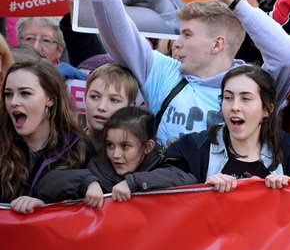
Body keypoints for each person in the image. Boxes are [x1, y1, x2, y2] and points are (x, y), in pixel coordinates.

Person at [67, 0, 290, 146]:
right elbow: (122, 36)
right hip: (169, 184)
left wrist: (235, 2)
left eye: (187, 35)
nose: (176, 44)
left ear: (217, 44)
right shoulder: (165, 73)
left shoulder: (254, 87)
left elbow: (287, 56)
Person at [165, 65, 290, 190]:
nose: (234, 107)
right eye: (228, 98)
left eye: (245, 99)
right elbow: (163, 194)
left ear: (267, 109)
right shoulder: (192, 148)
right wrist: (199, 189)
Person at [35, 107, 195, 206]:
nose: (115, 155)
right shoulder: (96, 167)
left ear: (148, 147)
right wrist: (86, 182)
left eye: (125, 146)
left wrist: (134, 182)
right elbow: (44, 184)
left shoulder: (161, 165)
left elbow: (188, 180)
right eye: (110, 145)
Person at [0, 60, 88, 214]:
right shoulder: (2, 146)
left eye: (25, 93)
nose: (13, 102)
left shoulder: (81, 149)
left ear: (50, 98)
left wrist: (45, 208)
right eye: (8, 94)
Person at [83, 64, 139, 139]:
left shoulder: (140, 145)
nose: (101, 107)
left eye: (114, 100)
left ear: (130, 107)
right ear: (85, 97)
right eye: (94, 97)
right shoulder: (70, 141)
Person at [16, 17, 82, 80]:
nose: (36, 47)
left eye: (46, 40)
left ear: (59, 50)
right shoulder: (10, 71)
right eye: (29, 38)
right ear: (19, 42)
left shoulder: (70, 79)